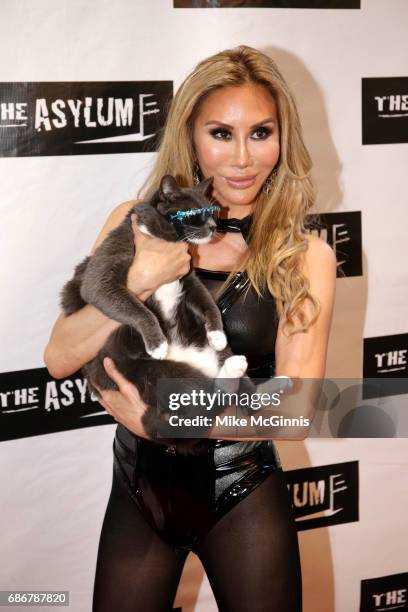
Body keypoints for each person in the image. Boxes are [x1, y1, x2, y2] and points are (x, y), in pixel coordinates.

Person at [44, 45, 336, 612]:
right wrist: (136, 280)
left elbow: (296, 414)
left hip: (240, 491)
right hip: (138, 490)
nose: (244, 158)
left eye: (261, 133)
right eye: (222, 134)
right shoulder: (132, 223)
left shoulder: (304, 255)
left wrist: (165, 419)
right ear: (192, 138)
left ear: (283, 139)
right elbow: (59, 355)